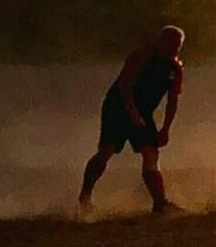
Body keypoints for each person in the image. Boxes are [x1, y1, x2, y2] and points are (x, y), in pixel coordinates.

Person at [79, 26, 187, 215]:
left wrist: (166, 128)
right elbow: (125, 85)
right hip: (118, 106)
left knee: (151, 154)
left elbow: (173, 100)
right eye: (171, 44)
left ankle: (160, 202)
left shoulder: (175, 68)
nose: (174, 49)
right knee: (107, 150)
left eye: (178, 46)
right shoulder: (143, 55)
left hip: (143, 111)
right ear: (161, 41)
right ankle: (85, 196)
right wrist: (132, 113)